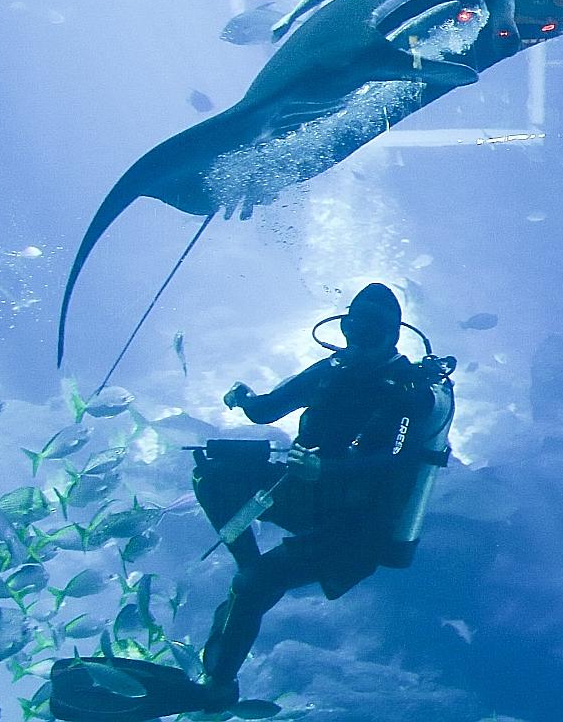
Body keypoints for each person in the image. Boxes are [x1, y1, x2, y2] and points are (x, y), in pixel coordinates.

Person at [191, 282, 456, 707]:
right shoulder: (333, 368)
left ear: (392, 334)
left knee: (252, 586)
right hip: (306, 498)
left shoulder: (407, 391)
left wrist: (325, 468)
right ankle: (251, 565)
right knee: (213, 475)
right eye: (354, 325)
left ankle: (217, 687)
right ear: (344, 325)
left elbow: (396, 457)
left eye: (370, 329)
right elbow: (268, 409)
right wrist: (244, 399)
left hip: (359, 525)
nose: (358, 338)